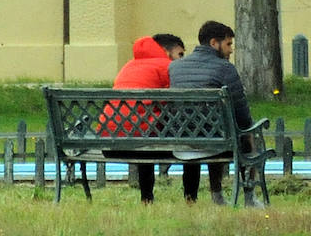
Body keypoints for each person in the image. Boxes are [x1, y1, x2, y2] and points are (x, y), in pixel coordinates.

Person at [168, 20, 259, 206]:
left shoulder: (175, 67)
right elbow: (241, 112)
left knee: (212, 130)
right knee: (245, 137)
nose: (231, 50)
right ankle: (248, 197)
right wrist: (249, 129)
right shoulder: (225, 68)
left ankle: (215, 196)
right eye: (228, 44)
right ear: (213, 43)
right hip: (218, 139)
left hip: (184, 138)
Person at [103, 33, 185, 203]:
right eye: (180, 55)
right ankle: (190, 198)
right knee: (185, 140)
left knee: (143, 125)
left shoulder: (129, 66)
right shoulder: (167, 66)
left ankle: (146, 198)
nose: (182, 60)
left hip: (110, 139)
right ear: (166, 52)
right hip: (142, 138)